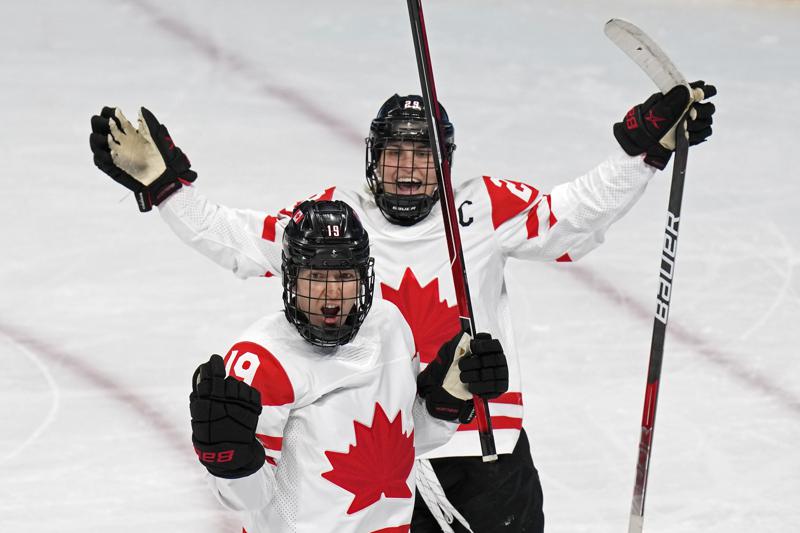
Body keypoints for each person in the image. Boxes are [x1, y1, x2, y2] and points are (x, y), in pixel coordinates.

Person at [90, 80, 716, 532]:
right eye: (396, 155)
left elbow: (572, 215)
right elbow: (239, 239)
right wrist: (166, 187)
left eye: (424, 157)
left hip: (482, 446)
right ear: (372, 159)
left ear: (446, 163)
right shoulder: (336, 220)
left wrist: (644, 154)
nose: (409, 171)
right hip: (385, 462)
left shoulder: (484, 207)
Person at [188, 199, 509, 532]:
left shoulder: (390, 328)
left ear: (363, 278)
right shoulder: (263, 359)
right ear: (292, 278)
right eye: (315, 276)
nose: (330, 295)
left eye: (343, 276)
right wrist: (230, 463)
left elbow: (400, 447)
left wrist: (445, 402)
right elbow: (250, 499)